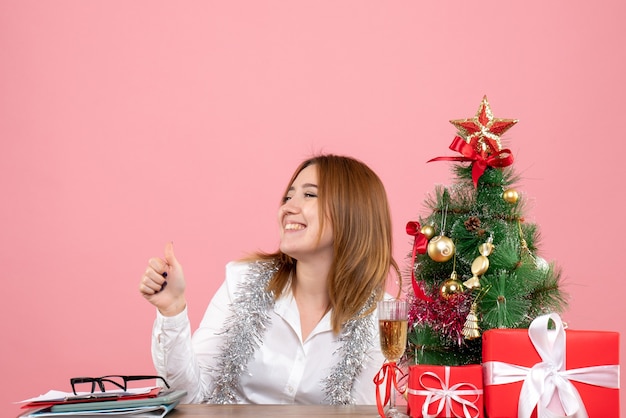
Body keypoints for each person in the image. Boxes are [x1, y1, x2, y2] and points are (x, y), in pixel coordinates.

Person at [139, 154, 401, 405]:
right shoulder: (241, 282)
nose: (288, 207)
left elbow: (370, 413)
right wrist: (172, 310)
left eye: (309, 195)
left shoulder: (381, 319)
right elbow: (189, 397)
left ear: (352, 213)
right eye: (288, 196)